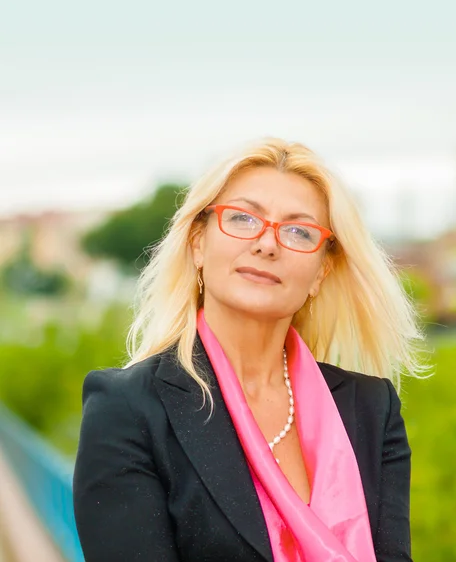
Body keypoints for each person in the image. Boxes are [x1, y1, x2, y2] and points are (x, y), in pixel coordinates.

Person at [72, 138, 428, 562]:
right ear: (198, 243)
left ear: (321, 271)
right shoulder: (128, 409)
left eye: (299, 231)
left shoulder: (372, 408)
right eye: (242, 218)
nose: (267, 244)